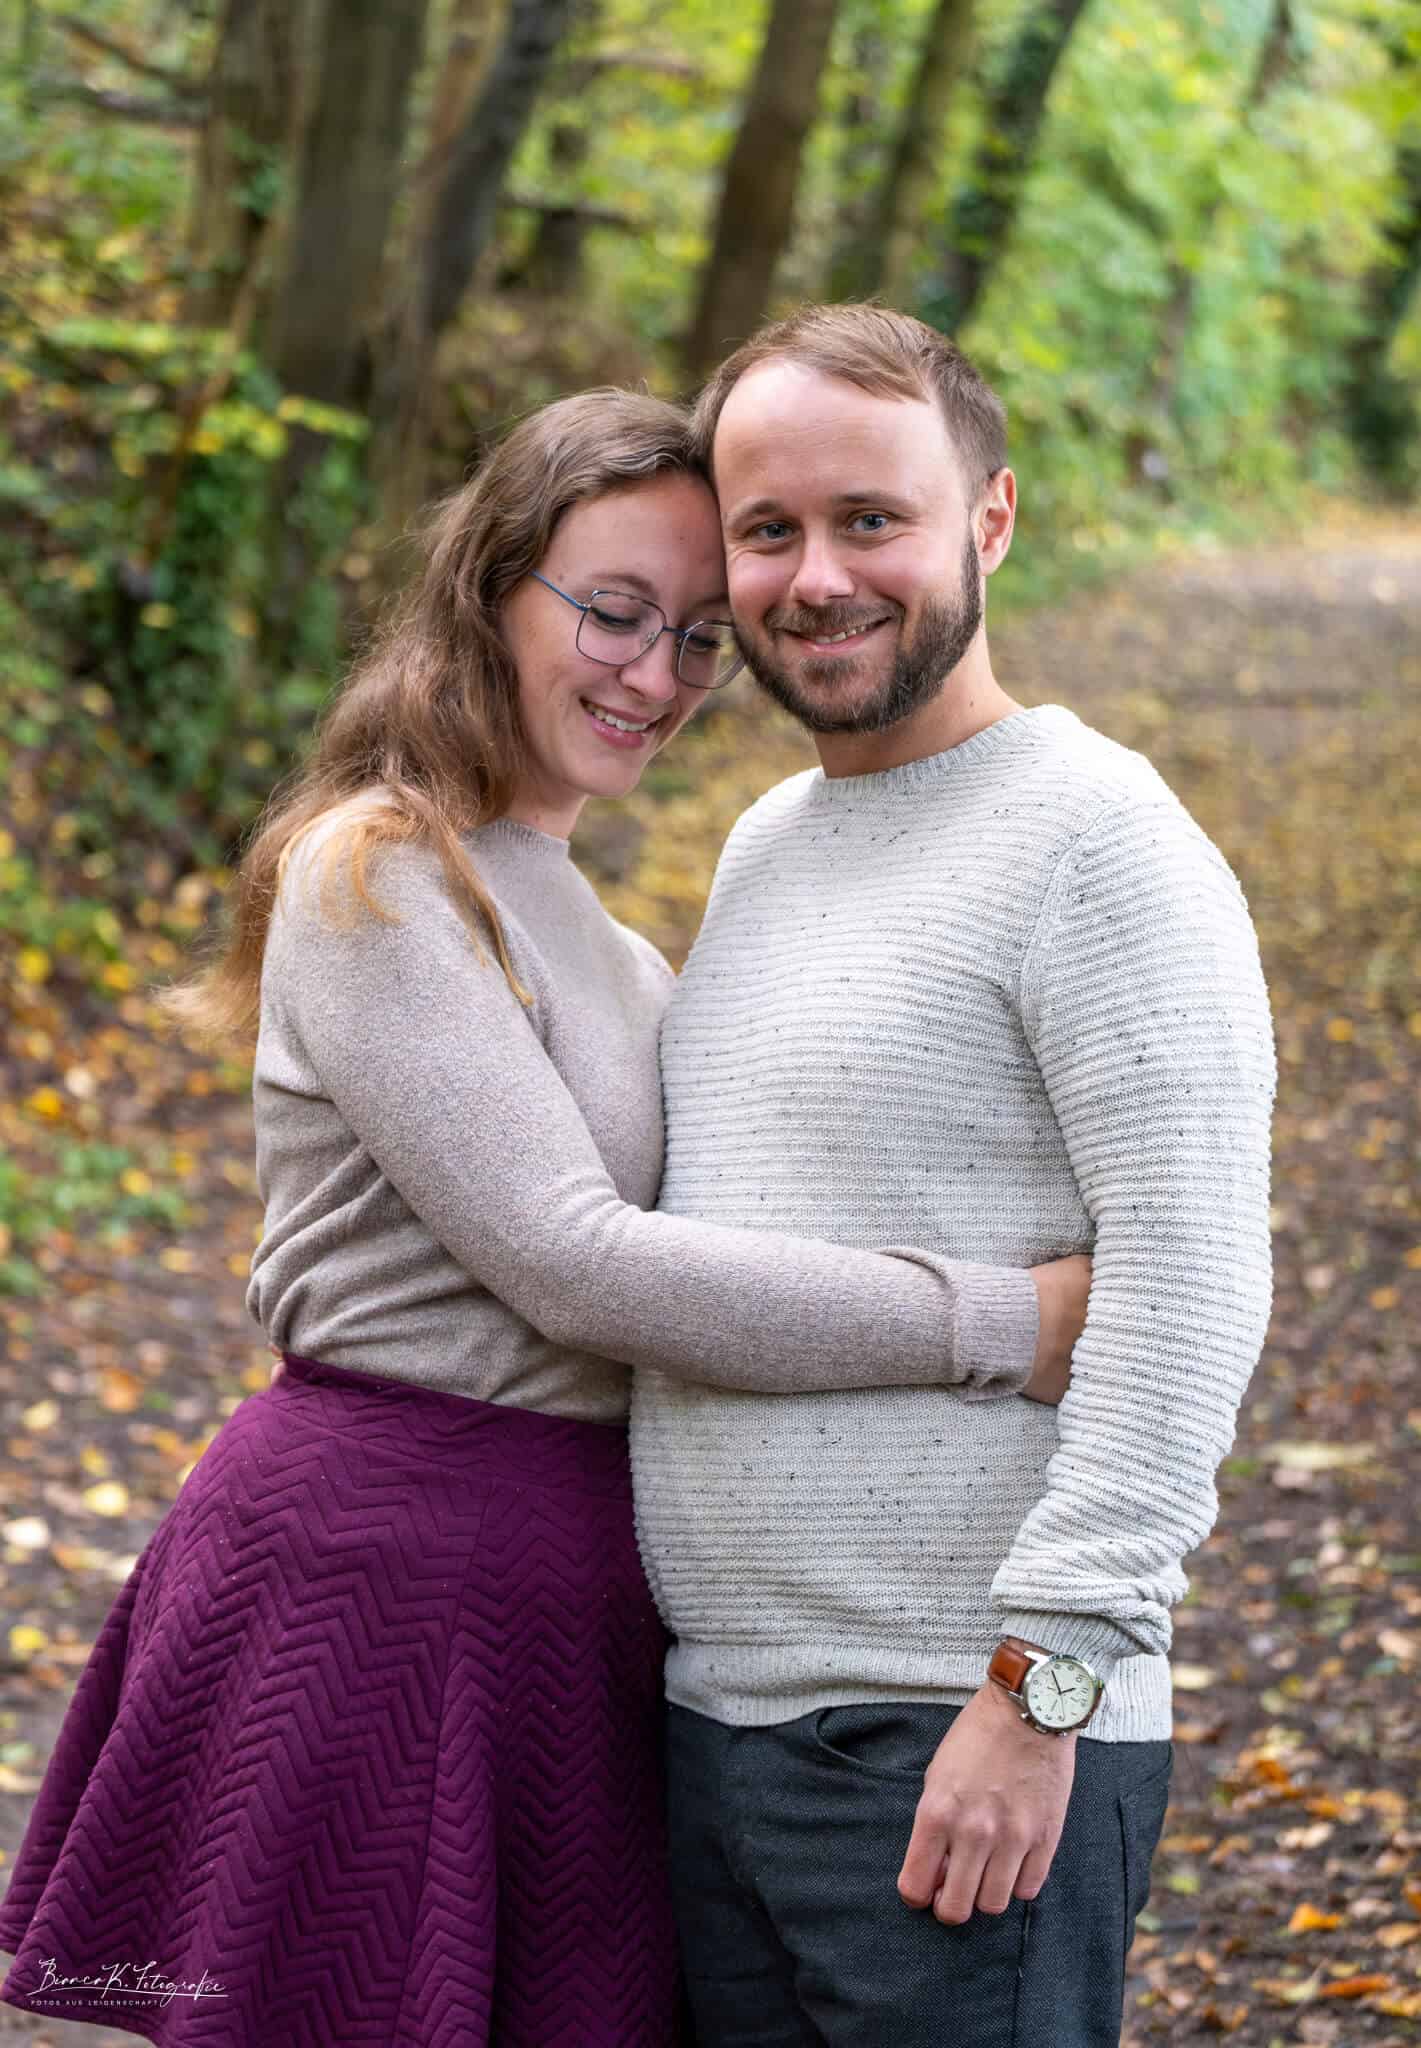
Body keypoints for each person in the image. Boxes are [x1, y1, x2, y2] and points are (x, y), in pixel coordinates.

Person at [0, 388, 1091, 2048]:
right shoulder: (377, 872)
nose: (651, 676)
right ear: (491, 586)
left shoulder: (618, 940)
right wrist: (1011, 1324)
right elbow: (571, 1261)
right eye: (611, 612)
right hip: (376, 1583)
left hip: (566, 1608)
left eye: (699, 639)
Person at [630, 305, 1277, 2048]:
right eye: (767, 531)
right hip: (719, 1731)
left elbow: (1190, 1279)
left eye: (870, 520)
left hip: (956, 1742)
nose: (815, 577)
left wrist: (1038, 1690)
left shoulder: (1098, 840)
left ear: (988, 520)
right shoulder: (770, 843)